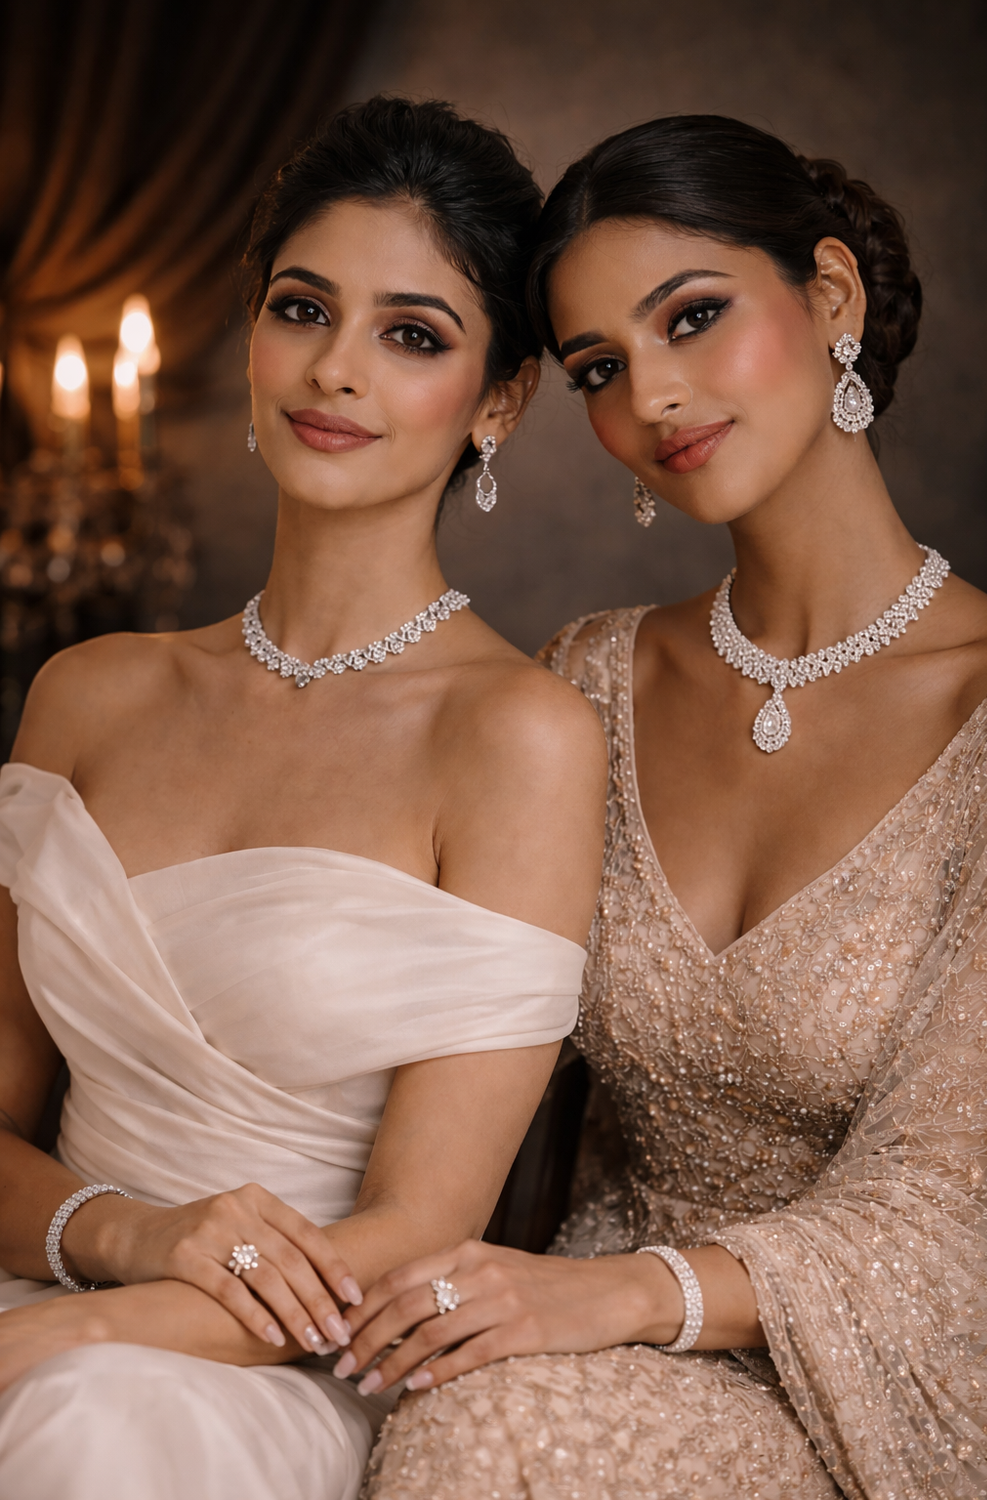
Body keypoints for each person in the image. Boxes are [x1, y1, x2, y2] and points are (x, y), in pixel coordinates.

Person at [348, 115, 987, 1500]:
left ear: (830, 298)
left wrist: (629, 1301)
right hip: (562, 1316)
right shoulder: (586, 680)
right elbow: (459, 1039)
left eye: (692, 318)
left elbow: (948, 1202)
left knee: (495, 1427)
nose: (652, 396)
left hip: (889, 1372)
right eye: (600, 367)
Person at [0, 96, 607, 1500]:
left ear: (500, 401)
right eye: (302, 308)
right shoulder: (87, 696)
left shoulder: (517, 735)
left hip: (275, 1376)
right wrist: (122, 1241)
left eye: (413, 335)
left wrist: (89, 1330)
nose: (337, 371)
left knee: (87, 1429)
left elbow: (409, 1235)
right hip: (61, 1288)